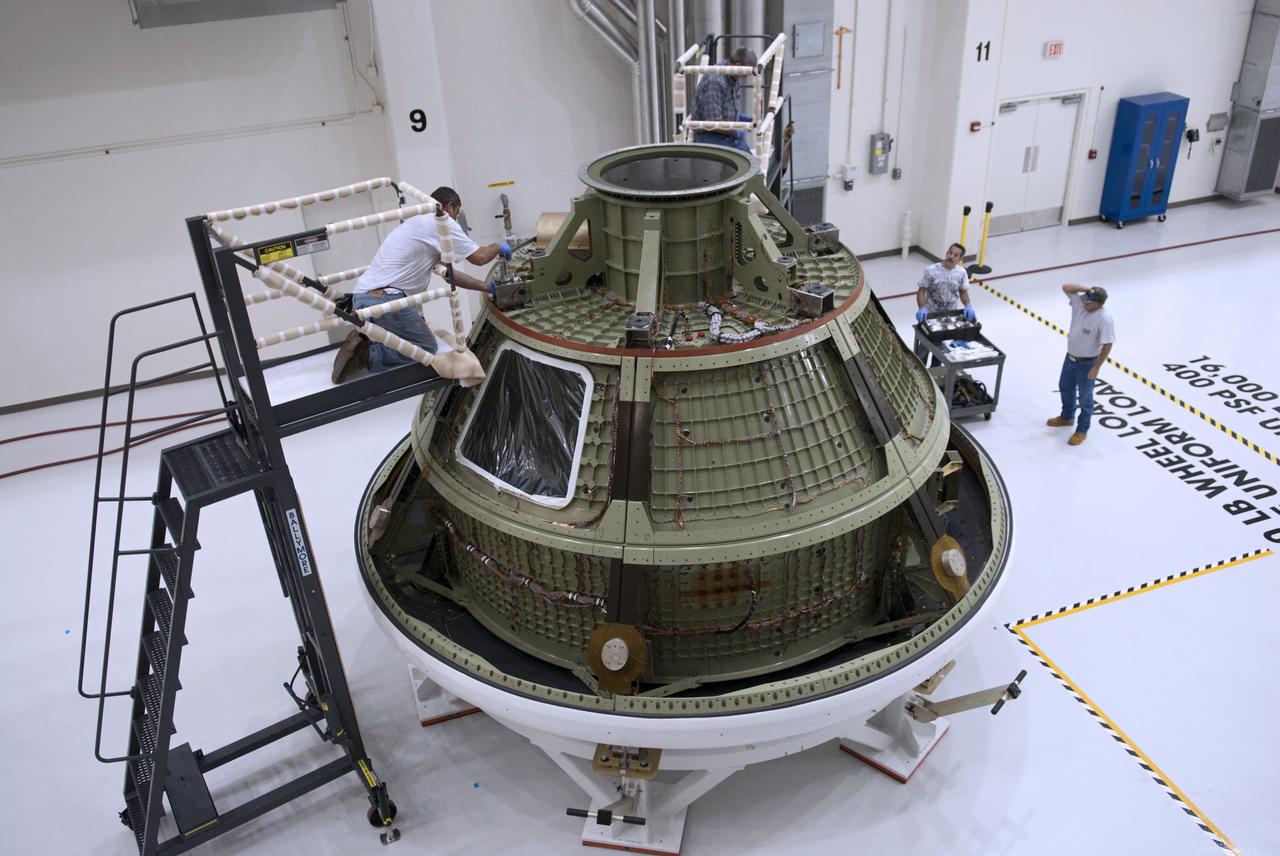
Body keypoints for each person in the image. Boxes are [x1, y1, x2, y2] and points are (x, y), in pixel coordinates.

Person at [332, 186, 510, 383]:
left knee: (408, 333)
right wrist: (498, 246)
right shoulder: (442, 221)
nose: (456, 219)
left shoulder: (414, 224)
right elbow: (479, 258)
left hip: (362, 298)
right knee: (424, 347)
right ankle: (366, 355)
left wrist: (486, 287)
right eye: (457, 213)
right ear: (450, 206)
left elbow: (451, 275)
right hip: (386, 299)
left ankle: (363, 339)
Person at [1046, 284, 1115, 446]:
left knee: (1085, 398)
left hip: (1087, 363)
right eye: (1084, 300)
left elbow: (1108, 344)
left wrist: (1096, 367)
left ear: (1099, 303)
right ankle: (1067, 417)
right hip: (1070, 358)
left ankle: (1082, 430)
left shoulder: (1105, 318)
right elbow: (1066, 287)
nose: (1085, 304)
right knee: (1065, 387)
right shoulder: (1080, 305)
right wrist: (1089, 290)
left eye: (1089, 302)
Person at [914, 242, 974, 362]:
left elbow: (963, 292)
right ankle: (918, 372)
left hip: (949, 317)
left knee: (942, 350)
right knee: (924, 349)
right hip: (931, 315)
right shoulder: (931, 270)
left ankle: (935, 372)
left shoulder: (961, 273)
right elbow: (921, 291)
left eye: (956, 255)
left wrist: (968, 305)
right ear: (947, 253)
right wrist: (921, 308)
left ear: (960, 259)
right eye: (950, 253)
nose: (951, 256)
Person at [689, 47, 757, 153]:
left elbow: (730, 110)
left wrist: (749, 120)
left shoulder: (734, 77)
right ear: (738, 66)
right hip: (709, 137)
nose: (746, 77)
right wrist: (737, 131)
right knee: (747, 162)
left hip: (725, 134)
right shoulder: (716, 81)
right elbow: (713, 123)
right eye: (745, 74)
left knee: (749, 160)